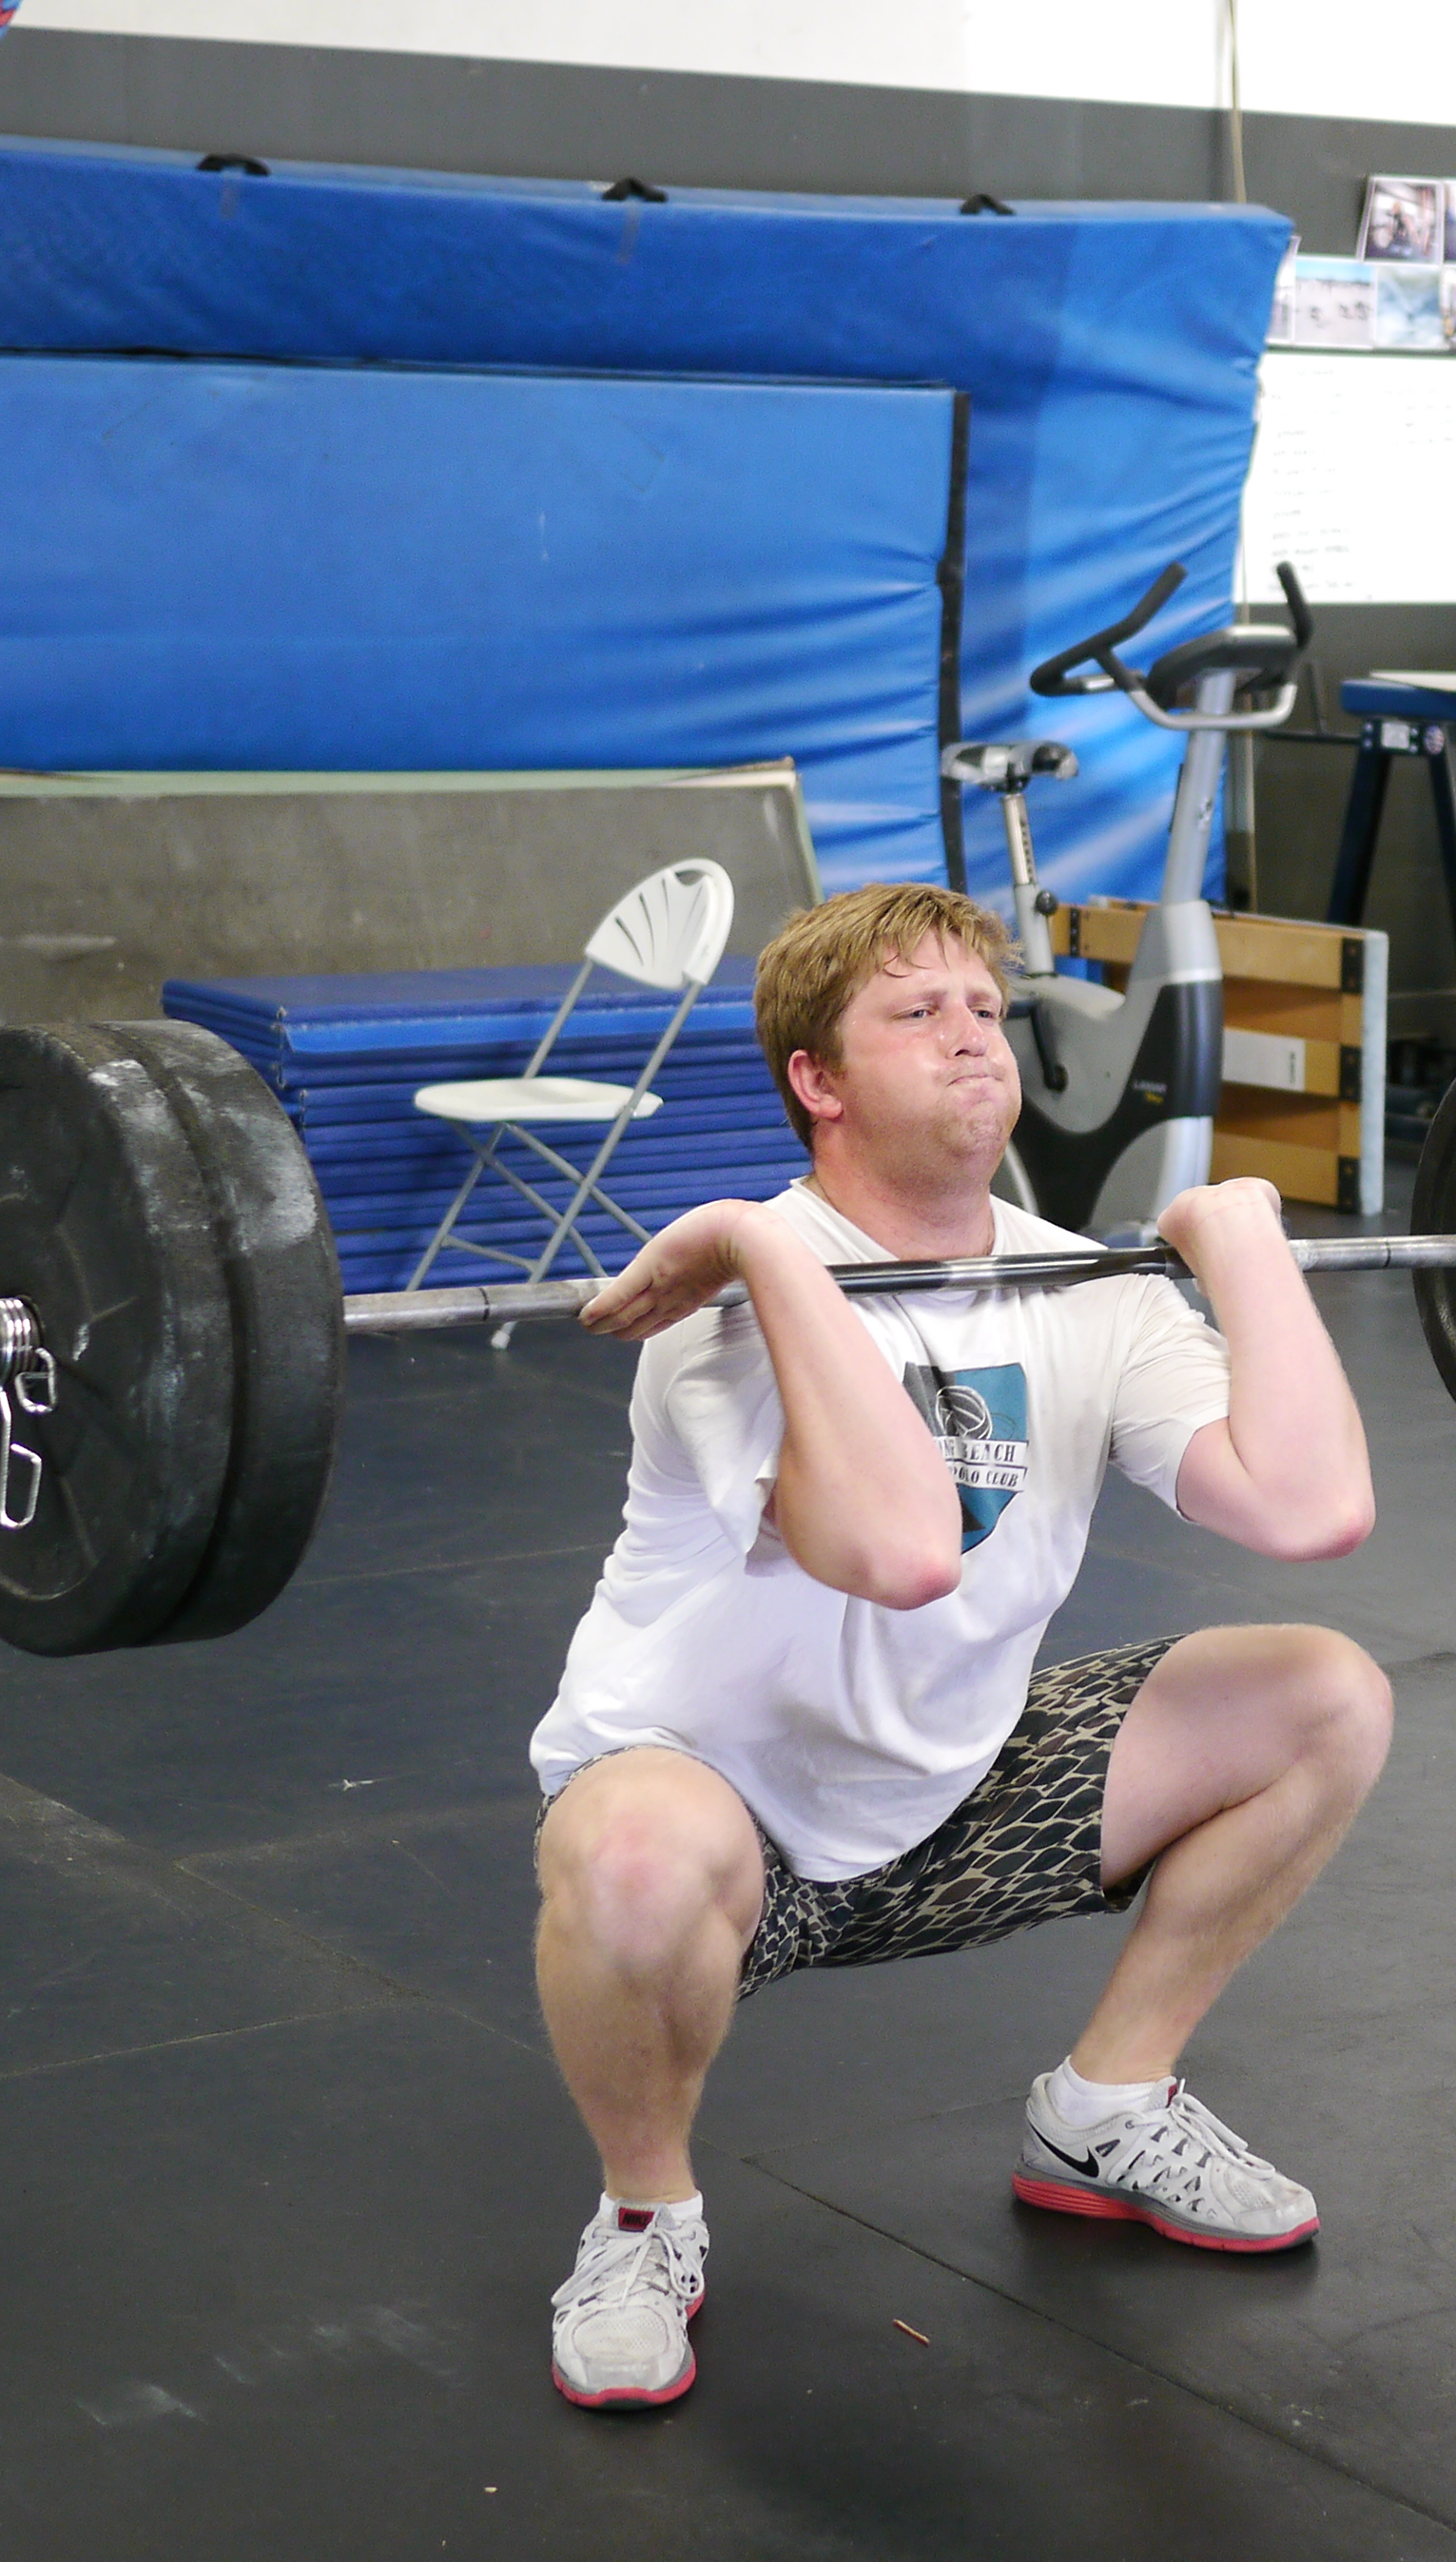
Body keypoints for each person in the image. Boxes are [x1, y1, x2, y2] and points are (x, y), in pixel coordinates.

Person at [525, 884, 1390, 2408]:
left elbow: (1310, 1507)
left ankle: (1106, 2108)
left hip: (956, 1787)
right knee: (637, 1861)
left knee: (1327, 1696)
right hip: (720, 1812)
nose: (973, 1037)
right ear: (817, 1079)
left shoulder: (1087, 1291)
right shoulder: (720, 1319)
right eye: (918, 1013)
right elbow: (904, 1553)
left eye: (985, 1008)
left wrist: (1240, 1238)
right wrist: (756, 1244)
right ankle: (645, 2220)